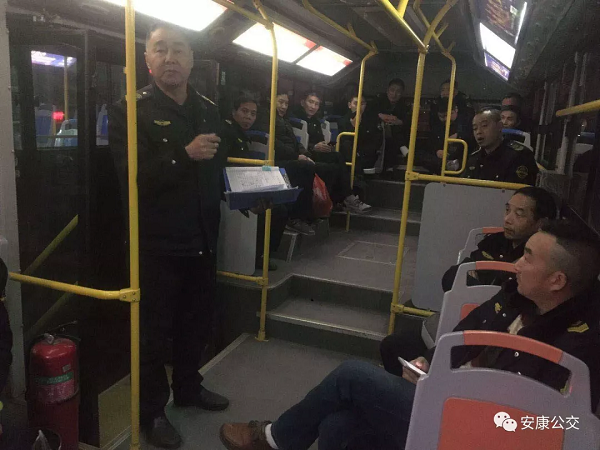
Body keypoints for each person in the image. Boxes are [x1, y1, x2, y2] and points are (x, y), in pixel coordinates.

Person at [219, 220, 600, 450]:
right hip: (459, 400)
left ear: (557, 281)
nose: (516, 263)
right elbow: (469, 334)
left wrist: (460, 399)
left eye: (528, 257)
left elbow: (559, 424)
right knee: (337, 425)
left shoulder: (583, 348)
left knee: (352, 376)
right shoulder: (517, 296)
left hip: (482, 429)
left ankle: (276, 439)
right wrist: (430, 365)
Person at [109, 22, 229, 448]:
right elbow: (132, 179)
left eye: (179, 49)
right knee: (153, 335)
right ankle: (153, 412)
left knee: (196, 323)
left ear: (192, 60)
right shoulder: (130, 111)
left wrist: (243, 197)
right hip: (157, 245)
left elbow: (217, 169)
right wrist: (183, 154)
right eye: (160, 49)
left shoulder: (208, 109)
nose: (170, 57)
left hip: (202, 238)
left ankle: (189, 388)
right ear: (147, 59)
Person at [380, 187, 557, 366]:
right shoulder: (494, 241)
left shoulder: (536, 263)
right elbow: (452, 277)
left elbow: (501, 294)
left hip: (486, 335)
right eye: (507, 210)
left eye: (519, 214)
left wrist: (476, 282)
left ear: (540, 223)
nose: (508, 219)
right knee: (392, 345)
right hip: (467, 318)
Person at [221, 93, 290, 270]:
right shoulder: (227, 133)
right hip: (230, 188)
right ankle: (258, 255)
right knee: (276, 211)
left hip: (243, 183)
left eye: (253, 114)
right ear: (234, 112)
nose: (249, 117)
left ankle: (262, 253)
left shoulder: (241, 134)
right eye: (244, 111)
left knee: (278, 206)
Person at [291, 91, 371, 214]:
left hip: (316, 152)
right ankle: (344, 199)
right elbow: (297, 144)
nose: (313, 106)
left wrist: (325, 145)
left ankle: (346, 198)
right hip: (304, 154)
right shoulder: (295, 121)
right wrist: (313, 147)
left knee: (337, 156)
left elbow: (320, 140)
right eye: (310, 102)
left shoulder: (316, 122)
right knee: (333, 167)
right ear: (303, 103)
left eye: (316, 104)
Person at [272, 92, 317, 236]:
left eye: (286, 103)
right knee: (305, 167)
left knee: (312, 165)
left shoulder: (285, 120)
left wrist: (306, 155)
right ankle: (295, 217)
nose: (284, 106)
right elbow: (274, 143)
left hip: (290, 158)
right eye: (280, 102)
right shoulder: (267, 119)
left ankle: (306, 215)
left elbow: (295, 143)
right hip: (275, 160)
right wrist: (297, 156)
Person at [464, 109, 538, 185]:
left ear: (499, 126)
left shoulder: (520, 156)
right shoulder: (474, 158)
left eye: (484, 126)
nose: (478, 132)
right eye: (475, 128)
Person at [418, 98, 473, 175]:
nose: (446, 119)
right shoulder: (437, 126)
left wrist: (459, 136)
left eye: (448, 114)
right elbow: (431, 143)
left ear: (456, 109)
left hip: (462, 157)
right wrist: (437, 151)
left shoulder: (467, 122)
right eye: (441, 116)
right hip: (442, 159)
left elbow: (472, 139)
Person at [337, 94, 383, 173]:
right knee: (346, 145)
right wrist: (353, 127)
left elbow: (376, 140)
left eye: (362, 104)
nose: (359, 107)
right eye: (356, 103)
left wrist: (362, 153)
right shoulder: (343, 121)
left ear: (365, 105)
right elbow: (343, 141)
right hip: (349, 156)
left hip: (366, 155)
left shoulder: (372, 121)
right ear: (349, 105)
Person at [371, 78, 410, 170]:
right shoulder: (378, 101)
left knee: (394, 129)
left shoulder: (404, 106)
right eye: (392, 90)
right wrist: (385, 117)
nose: (394, 94)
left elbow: (406, 121)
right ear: (387, 91)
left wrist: (399, 121)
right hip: (378, 131)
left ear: (402, 93)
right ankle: (403, 148)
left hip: (394, 134)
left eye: (398, 91)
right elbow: (373, 115)